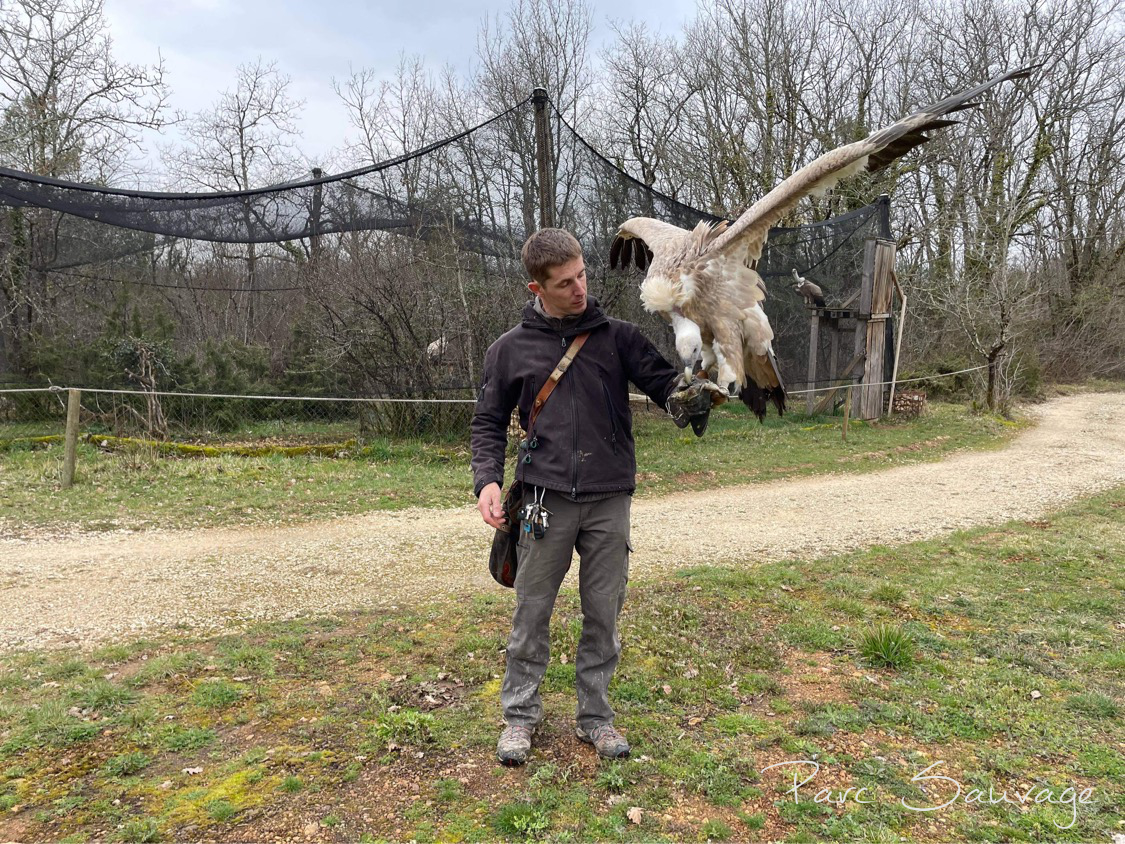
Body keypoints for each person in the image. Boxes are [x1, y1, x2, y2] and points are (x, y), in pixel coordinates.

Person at [470, 228, 717, 766]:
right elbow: (487, 423)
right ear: (536, 287)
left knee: (603, 614)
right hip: (543, 499)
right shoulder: (509, 350)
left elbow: (668, 389)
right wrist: (487, 480)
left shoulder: (619, 337)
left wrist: (698, 390)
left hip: (609, 497)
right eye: (564, 283)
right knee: (531, 613)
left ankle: (596, 718)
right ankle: (519, 718)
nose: (579, 289)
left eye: (582, 275)